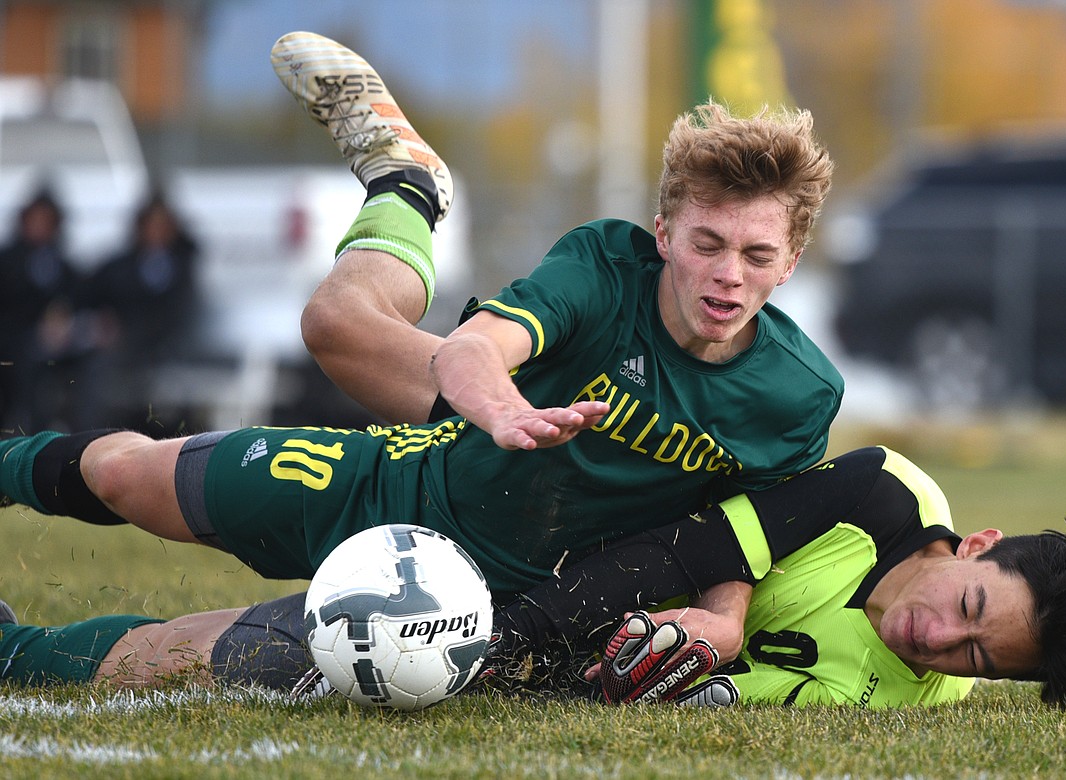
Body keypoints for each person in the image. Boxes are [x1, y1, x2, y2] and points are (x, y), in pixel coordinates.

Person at [0, 31, 841, 610]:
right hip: (464, 445)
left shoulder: (799, 395)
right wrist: (507, 409)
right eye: (707, 243)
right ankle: (409, 186)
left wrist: (724, 619)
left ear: (791, 262)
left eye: (758, 256)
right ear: (664, 235)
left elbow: (747, 529)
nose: (730, 274)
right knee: (317, 335)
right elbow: (477, 348)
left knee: (211, 646)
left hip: (531, 591)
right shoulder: (604, 265)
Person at [0, 447, 1066, 710]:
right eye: (973, 614)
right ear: (975, 546)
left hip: (547, 645)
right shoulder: (885, 495)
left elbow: (710, 708)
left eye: (982, 662)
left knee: (238, 653)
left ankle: (15, 652)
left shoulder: (911, 699)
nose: (944, 645)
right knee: (147, 479)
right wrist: (515, 639)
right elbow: (684, 556)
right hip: (534, 547)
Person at [70, 192, 201, 432]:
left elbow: (177, 315)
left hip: (163, 349)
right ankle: (90, 440)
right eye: (151, 224)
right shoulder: (123, 265)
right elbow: (88, 292)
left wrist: (129, 331)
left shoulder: (182, 268)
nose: (156, 231)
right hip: (125, 347)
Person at [0, 189, 81, 432]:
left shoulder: (63, 265)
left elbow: (74, 299)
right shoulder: (7, 261)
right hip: (12, 343)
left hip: (54, 347)